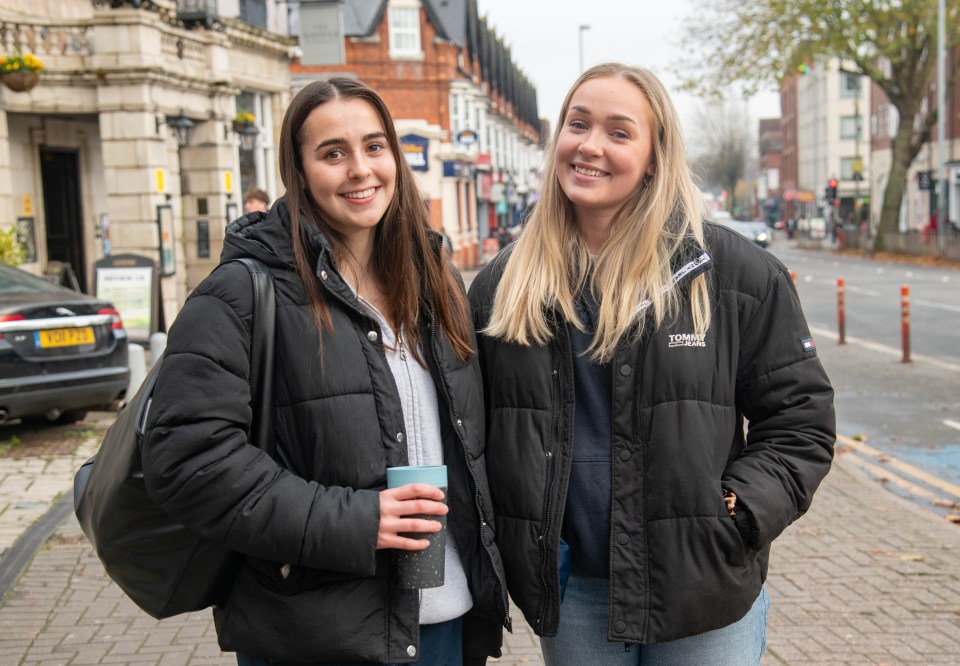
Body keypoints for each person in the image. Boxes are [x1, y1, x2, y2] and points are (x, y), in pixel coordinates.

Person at [469, 63, 835, 665]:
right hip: (574, 590)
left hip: (702, 585)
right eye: (577, 124)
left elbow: (801, 422)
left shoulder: (734, 276)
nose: (590, 145)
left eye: (619, 132)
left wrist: (740, 515)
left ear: (654, 154)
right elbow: (468, 428)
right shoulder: (504, 285)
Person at [141, 78, 509, 665]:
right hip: (316, 637)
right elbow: (187, 462)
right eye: (332, 153)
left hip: (446, 619)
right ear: (300, 171)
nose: (360, 169)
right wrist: (359, 521)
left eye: (374, 146)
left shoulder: (436, 277)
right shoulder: (243, 292)